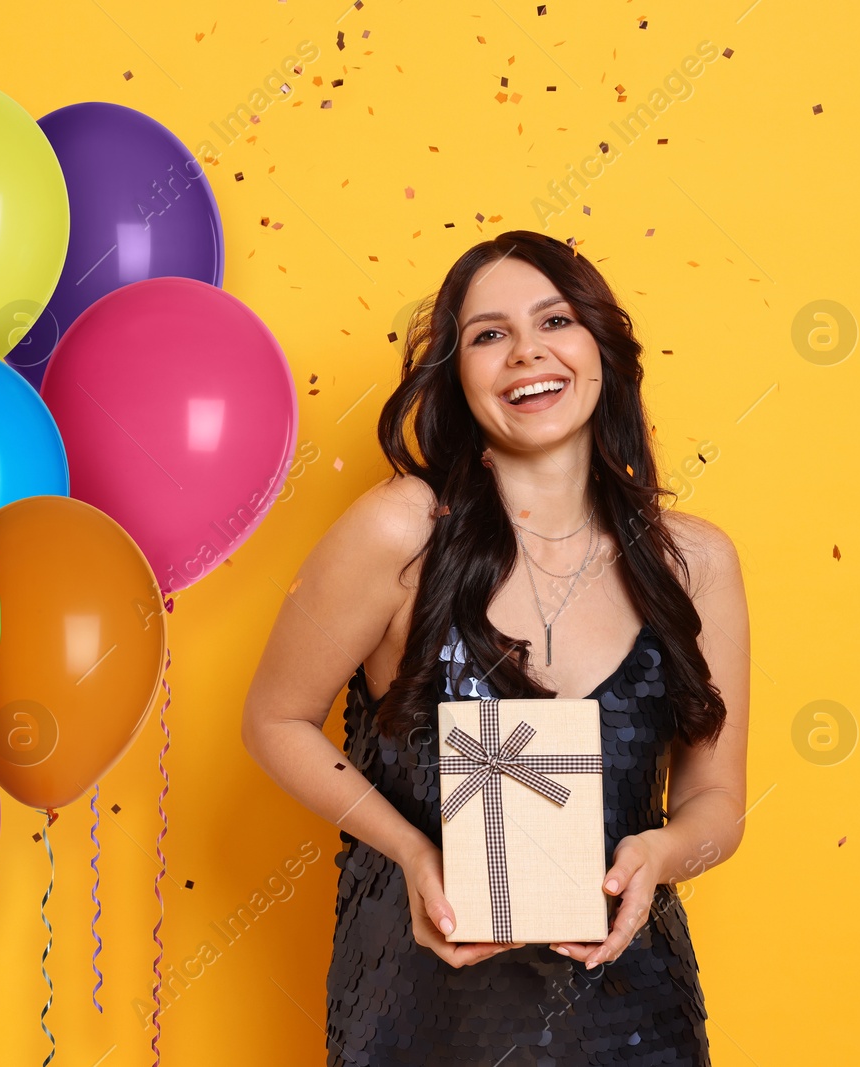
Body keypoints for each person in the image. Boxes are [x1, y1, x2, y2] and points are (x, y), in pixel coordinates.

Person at [241, 231, 749, 1065]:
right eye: (489, 334)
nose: (526, 353)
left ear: (600, 347)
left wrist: (659, 852)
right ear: (458, 374)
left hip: (634, 1019)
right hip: (423, 1015)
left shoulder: (695, 564)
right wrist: (408, 850)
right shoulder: (400, 530)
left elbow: (717, 803)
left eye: (555, 320)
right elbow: (274, 719)